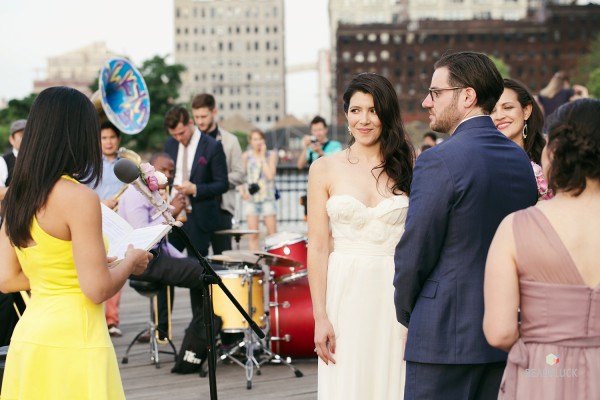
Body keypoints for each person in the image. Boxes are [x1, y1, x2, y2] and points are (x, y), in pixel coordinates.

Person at [393, 51, 538, 400]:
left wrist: (410, 312)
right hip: (502, 333)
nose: (427, 102)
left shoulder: (438, 160)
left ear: (467, 96)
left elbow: (415, 253)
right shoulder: (520, 159)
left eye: (436, 92)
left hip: (442, 336)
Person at [0, 86, 152, 399]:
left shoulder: (17, 194)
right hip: (76, 341)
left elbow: (7, 278)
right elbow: (96, 289)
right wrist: (130, 262)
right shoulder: (80, 198)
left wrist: (80, 268)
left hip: (30, 341)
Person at [484, 98, 600, 399]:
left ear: (554, 151)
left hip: (545, 373)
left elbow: (500, 331)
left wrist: (546, 345)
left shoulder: (516, 227)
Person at [308, 72, 414, 399]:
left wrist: (417, 314)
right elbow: (318, 248)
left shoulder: (411, 164)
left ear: (386, 114)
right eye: (356, 110)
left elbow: (421, 245)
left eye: (372, 110)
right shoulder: (323, 169)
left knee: (392, 384)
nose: (364, 120)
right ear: (345, 115)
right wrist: (320, 317)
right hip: (344, 292)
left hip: (395, 294)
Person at [117, 152, 224, 342]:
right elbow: (142, 236)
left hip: (158, 257)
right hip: (143, 261)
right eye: (163, 169)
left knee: (204, 269)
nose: (167, 174)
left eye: (171, 171)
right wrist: (172, 210)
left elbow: (164, 245)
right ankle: (202, 335)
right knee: (203, 274)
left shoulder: (152, 194)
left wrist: (185, 260)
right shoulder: (135, 194)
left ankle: (205, 331)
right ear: (149, 168)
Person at [164, 105, 228, 257]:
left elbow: (222, 184)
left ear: (190, 123)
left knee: (197, 268)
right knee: (168, 263)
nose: (179, 138)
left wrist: (196, 189)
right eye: (174, 135)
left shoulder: (213, 146)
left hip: (198, 217)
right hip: (172, 213)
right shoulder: (170, 144)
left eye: (181, 133)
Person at [191, 94, 245, 254]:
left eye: (204, 116)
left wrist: (216, 181)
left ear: (214, 112)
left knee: (224, 259)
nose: (200, 121)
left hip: (222, 209)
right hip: (196, 208)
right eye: (196, 117)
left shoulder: (231, 141)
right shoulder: (190, 141)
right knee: (196, 261)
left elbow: (240, 174)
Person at [89, 121, 126, 337]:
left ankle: (112, 320)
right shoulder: (90, 165)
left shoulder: (127, 164)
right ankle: (99, 318)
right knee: (97, 268)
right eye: (104, 138)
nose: (109, 141)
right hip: (97, 220)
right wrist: (102, 204)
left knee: (115, 268)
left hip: (119, 222)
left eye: (112, 137)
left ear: (118, 139)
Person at [492, 78, 553, 200]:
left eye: (508, 107)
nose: (499, 116)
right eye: (492, 110)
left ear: (526, 110)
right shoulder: (483, 162)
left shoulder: (550, 156)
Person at [239, 129, 278, 250]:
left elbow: (270, 176)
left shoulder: (270, 155)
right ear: (250, 141)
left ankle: (274, 265)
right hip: (251, 198)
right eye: (255, 139)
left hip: (268, 197)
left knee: (272, 234)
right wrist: (242, 192)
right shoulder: (246, 156)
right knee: (253, 235)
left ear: (264, 140)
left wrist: (262, 157)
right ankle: (256, 266)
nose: (258, 142)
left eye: (260, 139)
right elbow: (240, 175)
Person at [0, 119, 26, 202]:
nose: (26, 139)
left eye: (29, 135)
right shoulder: (3, 161)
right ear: (11, 139)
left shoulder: (38, 159)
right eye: (22, 135)